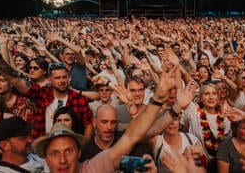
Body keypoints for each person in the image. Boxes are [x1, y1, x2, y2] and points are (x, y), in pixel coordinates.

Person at [32, 63, 198, 172]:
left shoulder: (93, 166)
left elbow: (132, 145)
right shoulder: (90, 152)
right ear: (94, 123)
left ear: (78, 153)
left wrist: (145, 167)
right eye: (55, 153)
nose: (62, 160)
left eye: (68, 151)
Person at [0, 36, 93, 139]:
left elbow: (88, 124)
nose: (62, 81)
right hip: (42, 147)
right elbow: (16, 79)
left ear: (69, 78)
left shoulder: (79, 99)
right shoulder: (42, 93)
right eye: (57, 78)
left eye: (64, 77)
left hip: (70, 146)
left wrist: (82, 145)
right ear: (50, 79)